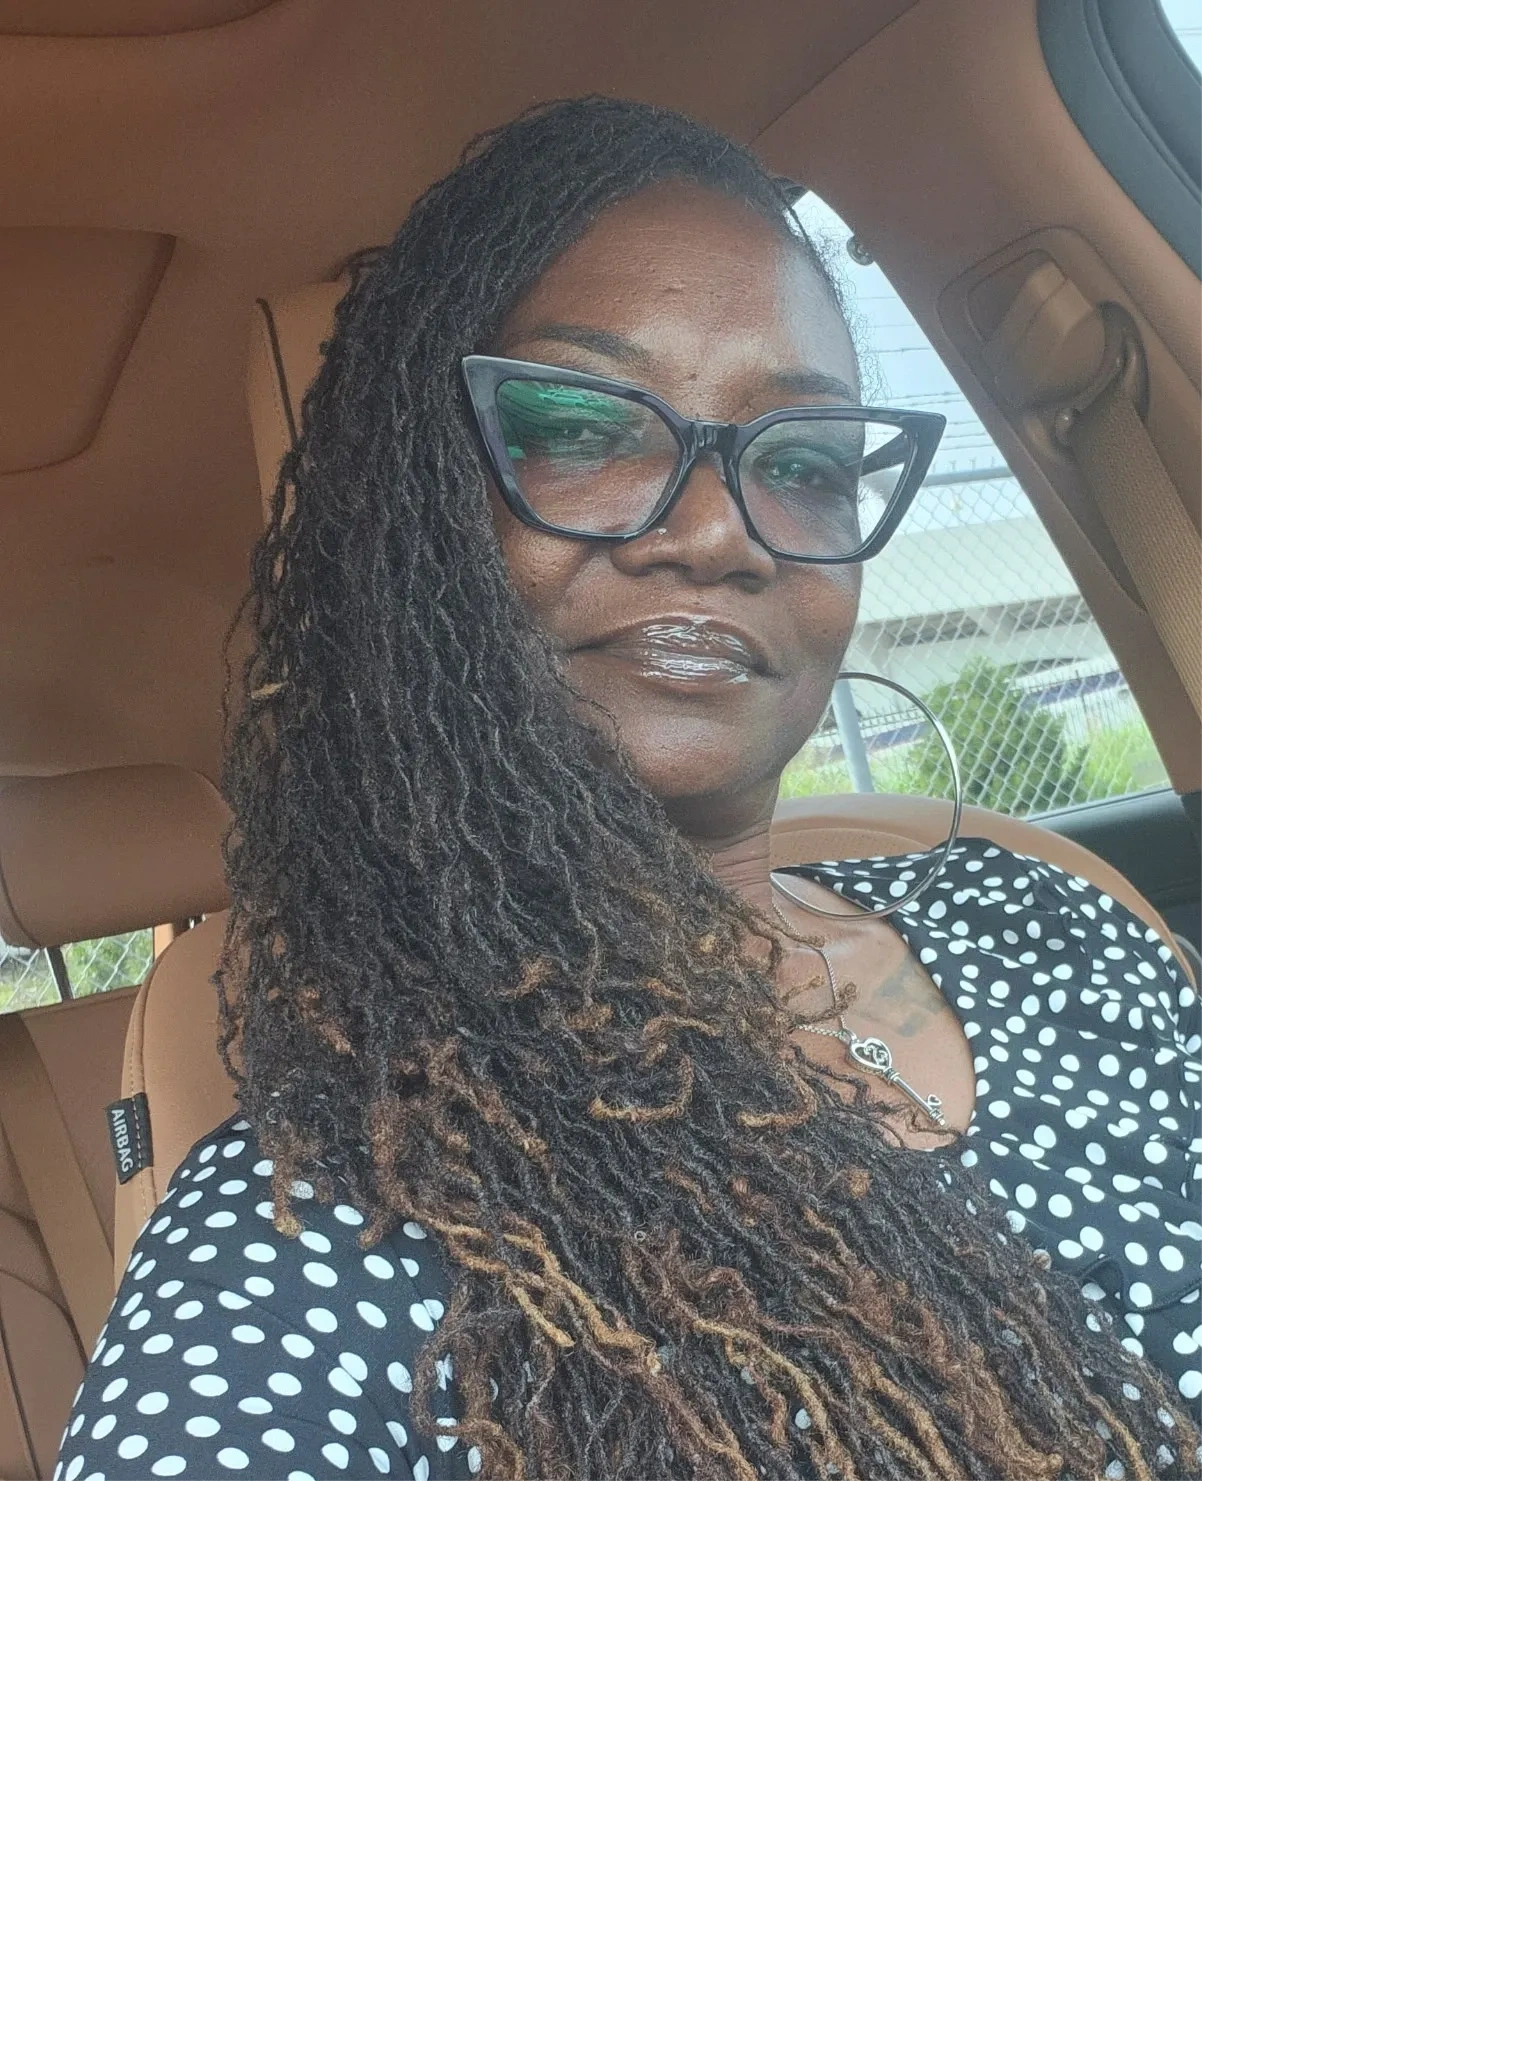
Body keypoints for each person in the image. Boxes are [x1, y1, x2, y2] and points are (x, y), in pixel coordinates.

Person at [56, 97, 1205, 1487]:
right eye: (582, 429)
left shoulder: (1037, 915)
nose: (718, 533)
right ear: (417, 511)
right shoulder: (332, 1211)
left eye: (804, 461)